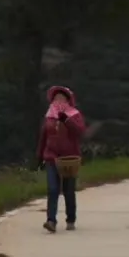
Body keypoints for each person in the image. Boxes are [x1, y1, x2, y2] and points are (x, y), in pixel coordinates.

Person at [36, 85, 86, 233]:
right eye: (56, 98)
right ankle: (51, 220)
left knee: (69, 190)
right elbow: (43, 137)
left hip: (69, 158)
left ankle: (71, 219)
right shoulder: (49, 117)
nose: (59, 101)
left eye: (62, 98)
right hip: (52, 158)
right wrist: (39, 156)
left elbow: (80, 132)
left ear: (68, 100)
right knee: (52, 189)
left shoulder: (74, 115)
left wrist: (66, 120)